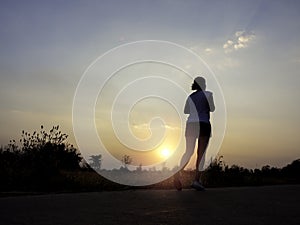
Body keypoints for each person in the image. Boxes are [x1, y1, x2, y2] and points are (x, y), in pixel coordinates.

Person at [174, 76, 215, 191]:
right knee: (201, 154)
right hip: (203, 124)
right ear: (204, 84)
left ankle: (177, 173)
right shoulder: (208, 94)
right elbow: (212, 108)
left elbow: (185, 111)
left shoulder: (190, 97)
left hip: (191, 124)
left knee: (188, 151)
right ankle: (196, 180)